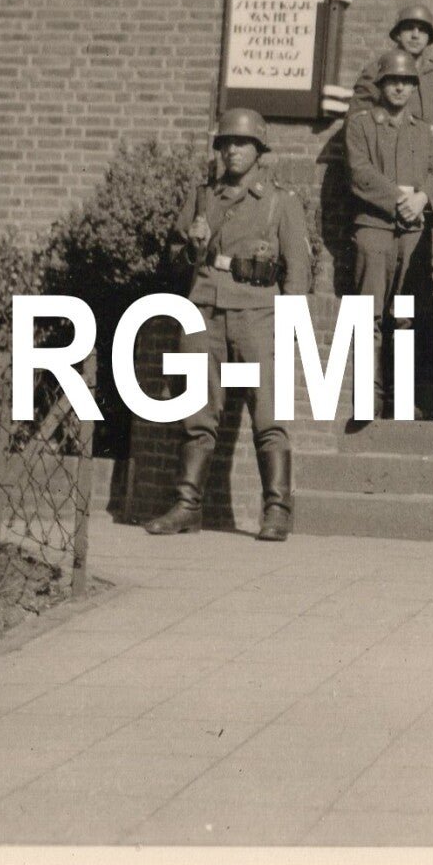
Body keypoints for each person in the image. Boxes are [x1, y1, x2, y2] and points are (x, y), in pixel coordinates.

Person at [145, 108, 313, 542]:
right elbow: (173, 258)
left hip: (257, 313)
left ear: (259, 151)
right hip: (203, 308)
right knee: (196, 410)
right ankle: (187, 506)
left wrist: (290, 321)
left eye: (243, 143)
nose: (233, 151)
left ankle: (276, 510)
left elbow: (298, 270)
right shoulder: (203, 198)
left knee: (267, 413)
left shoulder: (281, 201)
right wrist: (192, 244)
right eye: (227, 143)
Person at [345, 49, 433, 417]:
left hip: (412, 234)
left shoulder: (422, 132)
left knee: (405, 316)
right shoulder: (360, 125)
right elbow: (359, 172)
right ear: (382, 84)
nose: (400, 88)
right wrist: (399, 199)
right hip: (374, 231)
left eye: (407, 82)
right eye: (393, 81)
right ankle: (369, 398)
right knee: (369, 315)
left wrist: (422, 197)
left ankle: (401, 399)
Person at [353, 4, 433, 137]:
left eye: (422, 30)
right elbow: (356, 122)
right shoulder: (378, 70)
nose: (415, 35)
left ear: (429, 38)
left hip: (430, 153)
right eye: (409, 28)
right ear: (398, 34)